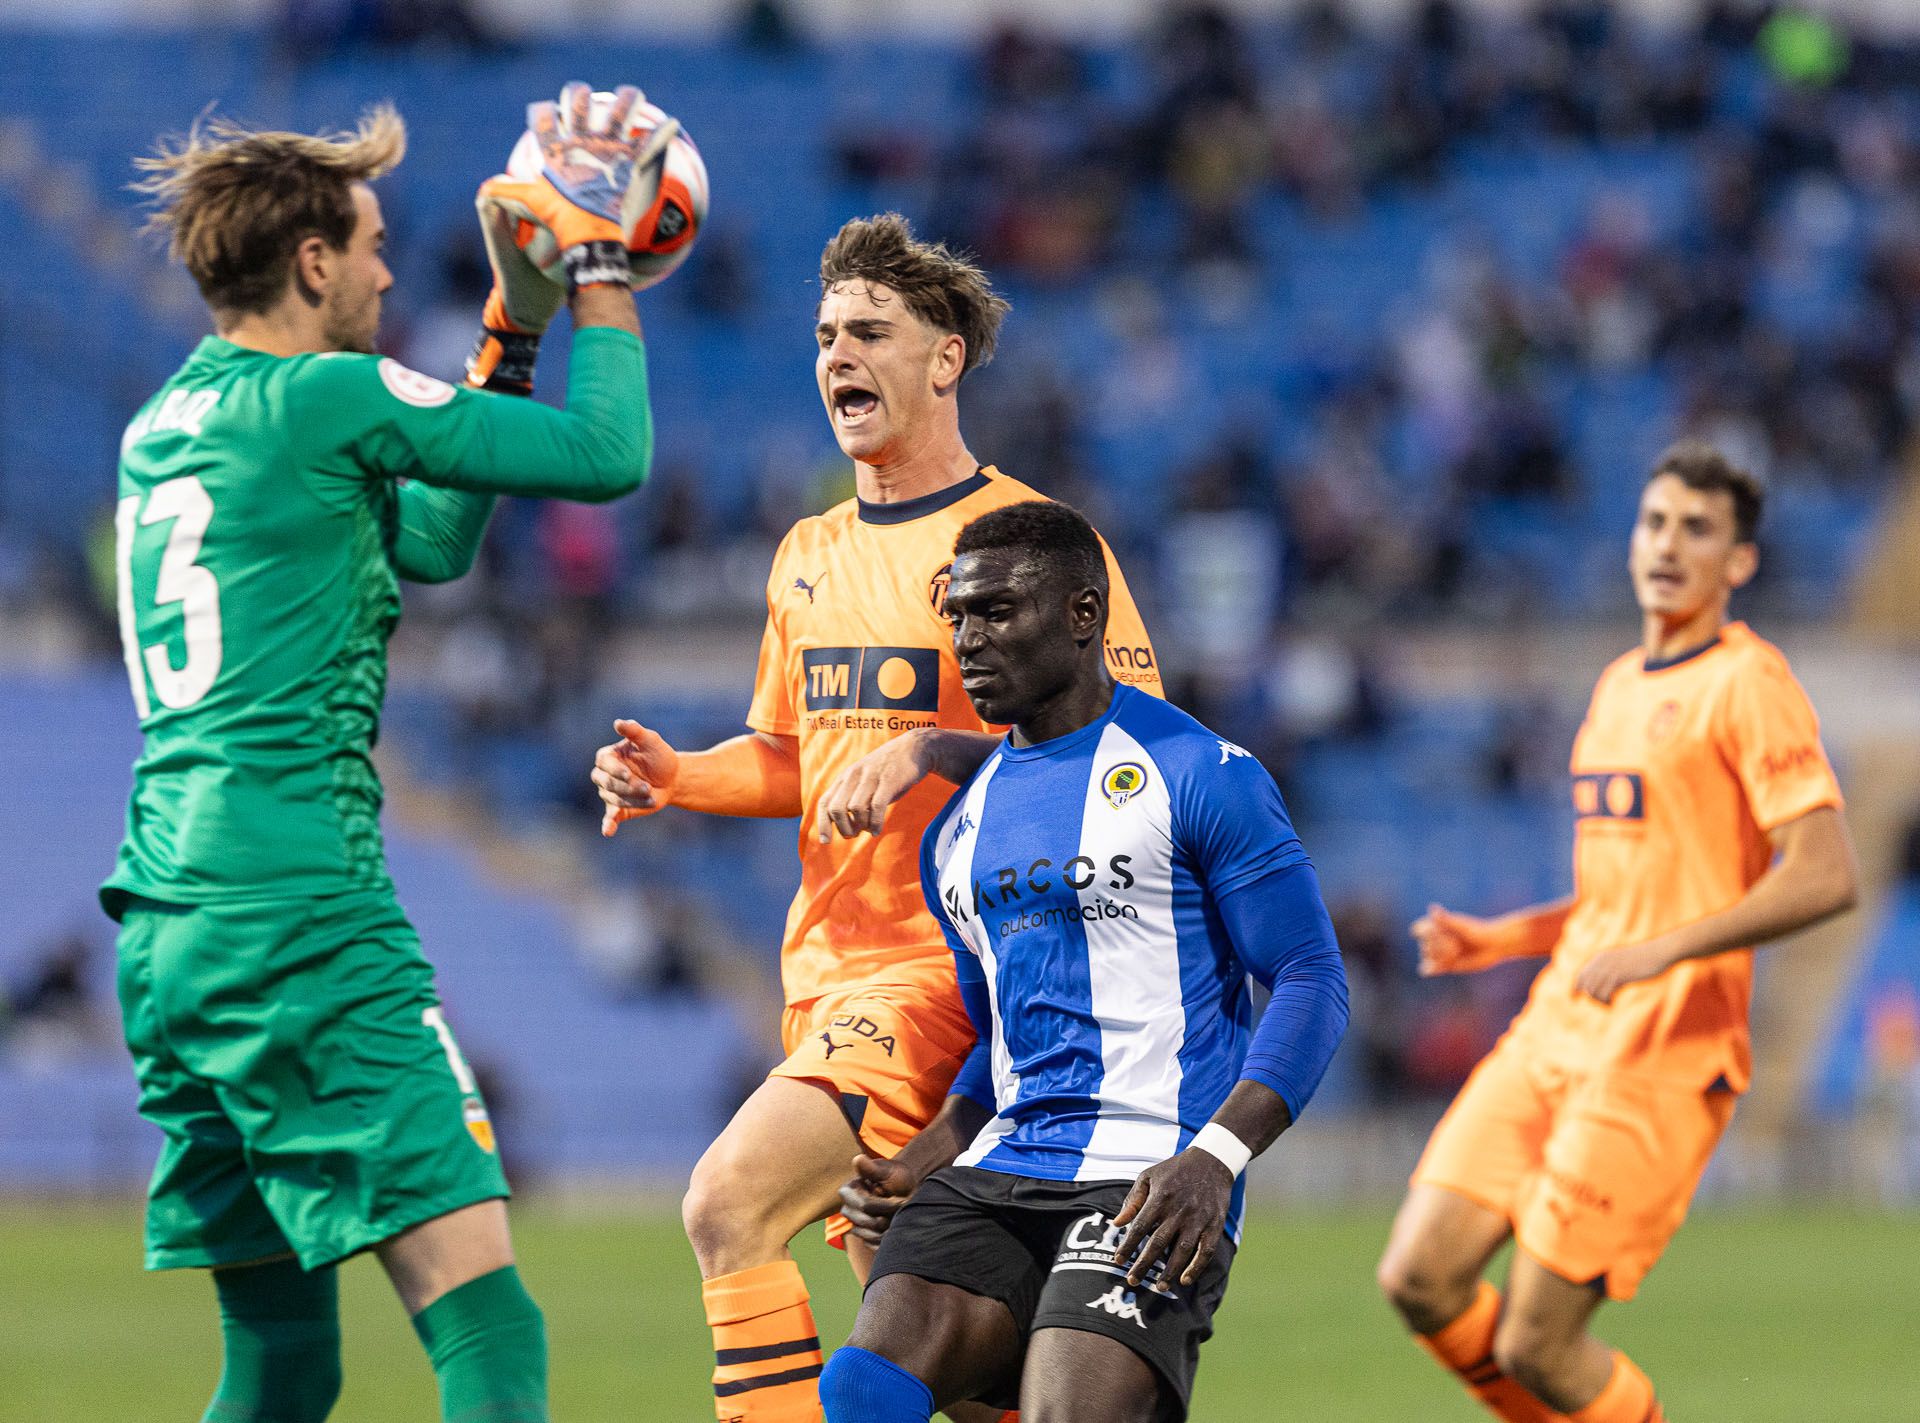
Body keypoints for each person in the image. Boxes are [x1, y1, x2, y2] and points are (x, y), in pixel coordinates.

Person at [108, 86, 684, 1423]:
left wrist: (514, 318)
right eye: (368, 243)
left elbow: (427, 543)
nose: (383, 266)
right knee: (492, 1327)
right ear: (311, 261)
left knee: (283, 1362)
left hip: (169, 923)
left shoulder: (164, 427)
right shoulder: (325, 395)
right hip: (300, 908)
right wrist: (596, 258)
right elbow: (610, 454)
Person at [590, 214, 1162, 1423]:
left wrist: (933, 751)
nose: (836, 354)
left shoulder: (1030, 544)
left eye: (869, 331)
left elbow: (1136, 765)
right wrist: (680, 778)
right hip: (826, 967)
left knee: (728, 1204)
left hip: (946, 973)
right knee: (931, 1364)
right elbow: (799, 755)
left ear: (943, 359)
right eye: (823, 335)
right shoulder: (807, 551)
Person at [814, 499, 1348, 1422]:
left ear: (1083, 616)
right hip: (1004, 1163)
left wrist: (1214, 1159)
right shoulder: (954, 831)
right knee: (863, 1388)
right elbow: (1000, 1045)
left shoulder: (1199, 771)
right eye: (957, 617)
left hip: (1155, 1175)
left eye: (996, 613)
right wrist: (927, 1154)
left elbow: (1310, 977)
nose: (967, 640)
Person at [1375, 441, 1859, 1423]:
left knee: (1537, 1342)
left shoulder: (1747, 682)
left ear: (1739, 563)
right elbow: (1624, 899)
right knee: (1419, 1277)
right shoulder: (1614, 688)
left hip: (1664, 1049)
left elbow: (1827, 871)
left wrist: (1669, 948)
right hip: (1559, 1025)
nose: (1669, 544)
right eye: (1655, 522)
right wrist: (1506, 936)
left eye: (1698, 529)